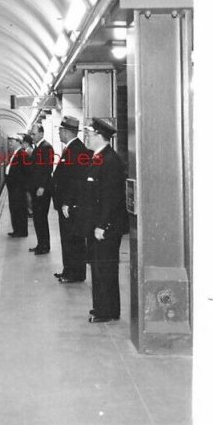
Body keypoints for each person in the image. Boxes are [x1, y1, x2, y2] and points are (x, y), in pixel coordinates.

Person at [80, 117, 128, 323]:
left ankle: (106, 311)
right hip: (97, 224)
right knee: (99, 267)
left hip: (105, 227)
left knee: (104, 268)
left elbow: (111, 197)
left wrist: (102, 226)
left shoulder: (110, 160)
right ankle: (103, 307)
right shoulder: (98, 157)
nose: (87, 138)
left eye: (89, 135)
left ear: (100, 136)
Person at [52, 115, 93, 283]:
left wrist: (67, 202)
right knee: (68, 238)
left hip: (70, 206)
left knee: (73, 239)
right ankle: (68, 270)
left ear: (66, 131)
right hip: (66, 204)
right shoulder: (72, 149)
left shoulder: (76, 151)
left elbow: (75, 180)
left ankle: (75, 273)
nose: (59, 134)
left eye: (60, 131)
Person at [27, 122, 54, 256]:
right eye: (31, 134)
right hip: (36, 188)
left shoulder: (46, 147)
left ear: (41, 134)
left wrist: (42, 186)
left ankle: (45, 246)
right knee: (38, 218)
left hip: (41, 189)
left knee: (41, 218)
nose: (32, 136)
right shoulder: (38, 147)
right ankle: (40, 244)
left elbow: (47, 167)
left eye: (34, 133)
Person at [5, 134, 32, 238]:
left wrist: (22, 185)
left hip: (18, 188)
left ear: (19, 142)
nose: (10, 143)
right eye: (10, 141)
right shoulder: (16, 153)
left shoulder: (22, 154)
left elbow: (28, 171)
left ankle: (21, 231)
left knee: (19, 209)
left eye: (12, 141)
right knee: (15, 209)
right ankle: (16, 230)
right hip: (14, 188)